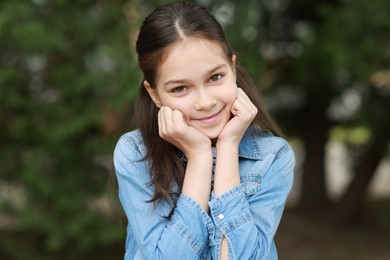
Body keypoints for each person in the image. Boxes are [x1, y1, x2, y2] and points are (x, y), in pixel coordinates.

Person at [113, 1, 295, 259]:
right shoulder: (135, 153)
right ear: (154, 95)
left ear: (232, 67)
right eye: (180, 88)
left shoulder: (272, 156)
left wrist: (228, 147)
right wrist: (200, 156)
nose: (205, 102)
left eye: (215, 77)